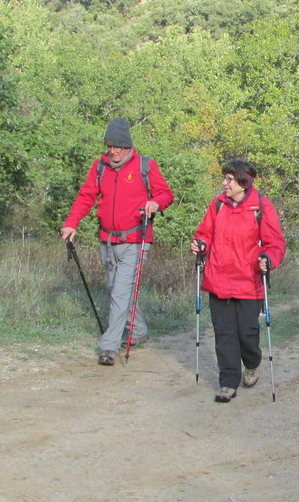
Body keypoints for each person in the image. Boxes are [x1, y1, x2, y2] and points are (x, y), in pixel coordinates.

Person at [61, 117, 174, 366]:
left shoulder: (145, 166)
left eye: (117, 147)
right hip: (107, 240)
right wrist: (72, 223)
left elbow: (166, 194)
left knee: (120, 292)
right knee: (117, 290)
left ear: (128, 147)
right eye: (109, 146)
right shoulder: (100, 167)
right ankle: (140, 332)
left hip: (136, 240)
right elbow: (86, 196)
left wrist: (156, 203)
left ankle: (108, 346)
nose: (112, 151)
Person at [191, 159, 286, 403]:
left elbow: (275, 244)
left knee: (247, 333)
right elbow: (205, 234)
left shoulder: (261, 206)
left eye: (229, 179)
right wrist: (200, 244)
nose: (224, 183)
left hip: (249, 281)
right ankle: (228, 382)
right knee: (224, 335)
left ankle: (252, 363)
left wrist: (268, 258)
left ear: (243, 182)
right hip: (219, 280)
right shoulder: (217, 206)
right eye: (224, 178)